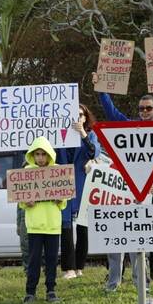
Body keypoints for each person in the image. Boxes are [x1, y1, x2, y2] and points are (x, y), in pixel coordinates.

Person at [93, 70, 153, 282]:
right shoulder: (130, 127)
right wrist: (101, 89)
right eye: (142, 108)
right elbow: (112, 113)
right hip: (131, 189)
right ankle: (118, 274)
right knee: (126, 230)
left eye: (149, 108)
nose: (144, 111)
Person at [20, 136, 66, 304]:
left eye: (43, 154)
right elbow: (20, 200)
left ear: (49, 155)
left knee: (52, 260)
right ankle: (30, 292)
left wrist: (60, 200)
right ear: (32, 155)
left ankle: (51, 290)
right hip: (34, 226)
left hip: (53, 225)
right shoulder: (26, 172)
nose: (40, 158)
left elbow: (64, 201)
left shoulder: (58, 171)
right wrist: (26, 202)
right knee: (34, 260)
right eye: (37, 154)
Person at [58, 104, 101, 279]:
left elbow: (94, 152)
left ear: (85, 118)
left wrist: (82, 133)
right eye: (73, 115)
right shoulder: (58, 136)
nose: (77, 118)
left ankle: (79, 266)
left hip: (83, 185)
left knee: (83, 226)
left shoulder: (90, 135)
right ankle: (69, 268)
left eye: (81, 115)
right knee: (65, 225)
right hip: (62, 185)